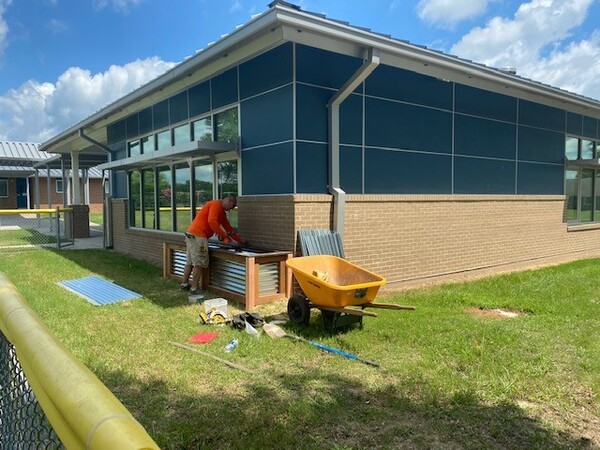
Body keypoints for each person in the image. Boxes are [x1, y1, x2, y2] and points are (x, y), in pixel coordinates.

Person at [180, 194, 245, 296]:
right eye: (232, 207)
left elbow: (228, 228)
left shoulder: (221, 212)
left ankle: (184, 284)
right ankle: (194, 288)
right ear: (230, 201)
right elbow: (212, 221)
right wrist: (223, 235)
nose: (230, 210)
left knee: (190, 261)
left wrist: (240, 240)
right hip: (199, 237)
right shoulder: (215, 204)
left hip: (192, 235)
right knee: (199, 263)